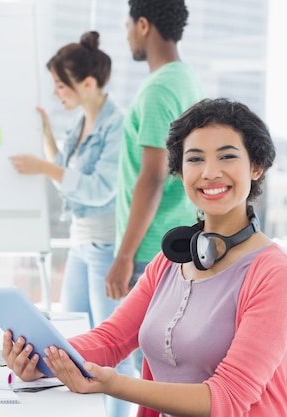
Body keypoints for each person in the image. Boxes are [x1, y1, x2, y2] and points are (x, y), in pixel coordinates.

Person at [2, 97, 287, 417]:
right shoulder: (170, 261)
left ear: (256, 167)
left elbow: (226, 399)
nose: (210, 172)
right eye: (195, 159)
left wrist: (113, 384)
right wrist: (43, 359)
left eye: (227, 157)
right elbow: (111, 340)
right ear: (181, 170)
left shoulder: (276, 274)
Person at [8, 31, 134, 417]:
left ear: (88, 84)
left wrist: (46, 166)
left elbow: (98, 189)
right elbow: (64, 169)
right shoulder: (79, 124)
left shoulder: (118, 125)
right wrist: (47, 135)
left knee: (115, 352)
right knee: (71, 346)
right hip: (81, 245)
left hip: (104, 248)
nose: (57, 93)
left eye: (61, 86)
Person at [105, 0, 204, 301]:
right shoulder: (187, 81)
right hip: (176, 244)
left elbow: (152, 177)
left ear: (143, 25)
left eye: (128, 27)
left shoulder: (158, 90)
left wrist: (124, 257)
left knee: (140, 349)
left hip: (148, 252)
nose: (127, 36)